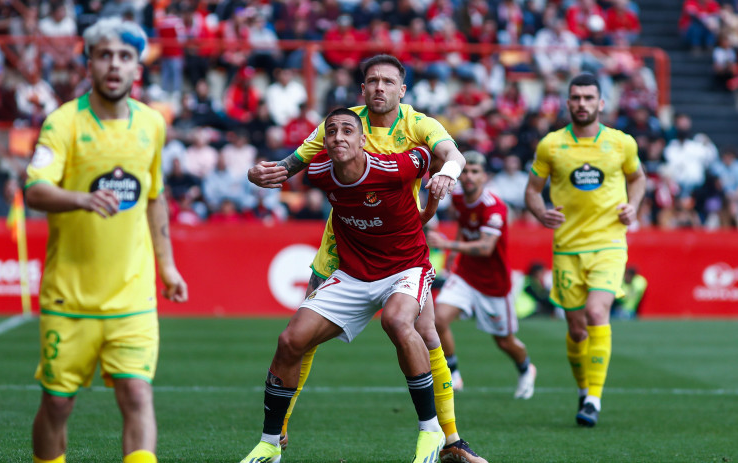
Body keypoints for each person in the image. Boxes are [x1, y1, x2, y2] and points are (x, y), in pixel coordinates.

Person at [248, 54, 487, 463]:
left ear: (401, 89)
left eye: (388, 81)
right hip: (343, 240)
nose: (379, 87)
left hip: (399, 244)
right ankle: (277, 433)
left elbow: (453, 153)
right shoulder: (343, 123)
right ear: (363, 88)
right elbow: (295, 163)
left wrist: (448, 171)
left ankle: (448, 440)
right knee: (300, 339)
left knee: (424, 333)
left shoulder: (417, 124)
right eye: (372, 80)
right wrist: (267, 173)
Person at [24, 19, 188, 463]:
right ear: (89, 62)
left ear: (138, 67)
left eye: (124, 56)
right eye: (104, 55)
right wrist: (81, 198)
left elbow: (154, 197)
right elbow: (34, 190)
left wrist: (167, 266)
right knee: (58, 404)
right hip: (69, 296)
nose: (114, 65)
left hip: (132, 296)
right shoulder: (63, 124)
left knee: (137, 395)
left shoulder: (152, 123)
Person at [524, 73, 645, 427]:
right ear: (568, 103)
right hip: (567, 248)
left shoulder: (622, 143)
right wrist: (538, 210)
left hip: (609, 243)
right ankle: (583, 390)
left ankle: (594, 398)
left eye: (589, 98)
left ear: (601, 103)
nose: (582, 104)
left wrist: (633, 206)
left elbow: (638, 179)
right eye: (576, 98)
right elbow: (532, 189)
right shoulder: (551, 145)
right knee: (576, 330)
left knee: (597, 311)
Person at [427, 151, 537, 398]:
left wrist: (447, 247)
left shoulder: (494, 207)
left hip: (493, 283)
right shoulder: (458, 199)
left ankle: (526, 368)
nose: (469, 176)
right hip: (466, 275)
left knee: (504, 341)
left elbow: (486, 248)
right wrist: (454, 257)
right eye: (465, 171)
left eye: (475, 172)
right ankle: (453, 374)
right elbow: (465, 228)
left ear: (485, 177)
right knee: (438, 319)